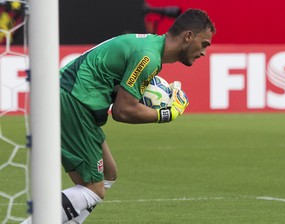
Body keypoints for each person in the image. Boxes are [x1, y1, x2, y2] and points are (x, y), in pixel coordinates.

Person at [22, 8, 215, 224]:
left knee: (107, 176)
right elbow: (122, 111)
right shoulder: (148, 57)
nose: (204, 52)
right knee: (93, 189)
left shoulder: (149, 47)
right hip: (74, 100)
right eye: (204, 44)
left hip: (71, 99)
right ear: (188, 36)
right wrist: (166, 114)